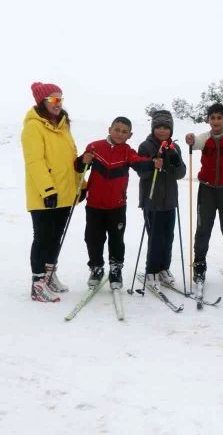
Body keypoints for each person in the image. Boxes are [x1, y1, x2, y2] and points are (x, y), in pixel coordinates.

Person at [76, 117, 161, 290]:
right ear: (110, 129)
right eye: (117, 129)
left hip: (117, 206)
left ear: (130, 135)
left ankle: (116, 269)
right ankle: (96, 267)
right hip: (94, 205)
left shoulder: (127, 151)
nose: (120, 134)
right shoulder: (94, 147)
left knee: (116, 239)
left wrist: (153, 163)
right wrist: (81, 160)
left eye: (124, 131)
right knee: (93, 238)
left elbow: (139, 163)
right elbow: (79, 167)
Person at [22, 82, 84, 302]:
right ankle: (38, 283)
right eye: (54, 99)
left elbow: (71, 159)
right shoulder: (33, 126)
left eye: (61, 99)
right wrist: (47, 190)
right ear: (43, 101)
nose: (59, 104)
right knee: (43, 238)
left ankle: (49, 275)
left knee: (56, 237)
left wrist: (81, 185)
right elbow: (34, 162)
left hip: (65, 194)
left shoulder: (63, 125)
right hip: (44, 195)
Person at [185, 103, 223, 288]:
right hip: (207, 189)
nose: (216, 121)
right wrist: (190, 139)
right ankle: (200, 264)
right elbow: (195, 142)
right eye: (213, 118)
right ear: (208, 120)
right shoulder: (205, 138)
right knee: (203, 228)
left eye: (220, 118)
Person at [137, 110, 186, 288]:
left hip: (170, 201)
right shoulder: (145, 146)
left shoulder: (175, 147)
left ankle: (164, 268)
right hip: (152, 201)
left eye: (166, 127)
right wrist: (152, 163)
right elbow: (141, 171)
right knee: (155, 237)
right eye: (158, 127)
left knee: (168, 236)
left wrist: (175, 160)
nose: (162, 131)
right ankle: (151, 270)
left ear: (171, 129)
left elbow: (181, 174)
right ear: (153, 128)